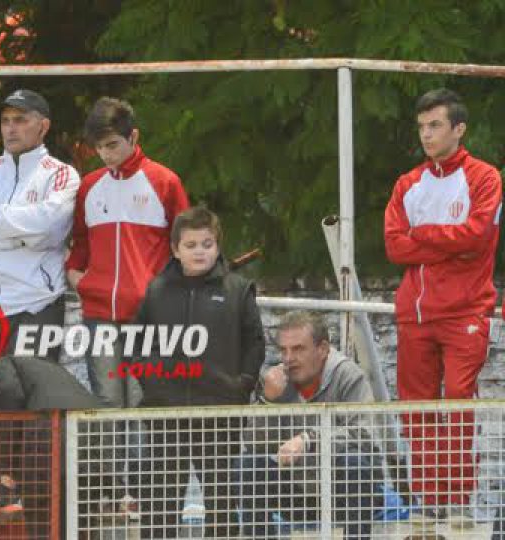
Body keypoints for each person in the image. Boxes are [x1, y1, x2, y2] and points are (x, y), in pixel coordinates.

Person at [0, 88, 80, 526]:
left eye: (21, 119)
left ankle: (35, 495)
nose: (11, 128)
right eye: (6, 119)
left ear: (43, 125)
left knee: (36, 403)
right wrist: (18, 227)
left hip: (38, 303)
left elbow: (48, 227)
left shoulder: (61, 174)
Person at [383, 87, 501, 525]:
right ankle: (428, 502)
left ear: (459, 128)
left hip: (466, 311)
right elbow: (394, 248)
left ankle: (457, 502)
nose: (426, 135)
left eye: (435, 126)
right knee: (416, 409)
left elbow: (478, 237)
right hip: (414, 314)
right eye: (421, 127)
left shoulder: (485, 177)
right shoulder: (407, 184)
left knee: (457, 404)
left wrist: (422, 239)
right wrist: (445, 244)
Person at [132, 206, 265, 538]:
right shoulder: (156, 290)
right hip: (166, 414)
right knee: (159, 509)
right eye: (191, 245)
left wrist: (242, 386)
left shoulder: (238, 289)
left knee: (221, 508)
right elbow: (136, 343)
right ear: (176, 249)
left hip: (220, 414)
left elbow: (255, 344)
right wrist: (151, 382)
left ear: (217, 246)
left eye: (207, 244)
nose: (199, 251)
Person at [66, 96, 189, 409]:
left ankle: (144, 462)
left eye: (112, 145)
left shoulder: (164, 181)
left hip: (148, 312)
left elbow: (186, 244)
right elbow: (81, 241)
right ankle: (109, 462)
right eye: (99, 147)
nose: (105, 155)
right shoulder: (89, 186)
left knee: (141, 400)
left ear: (133, 137)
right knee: (106, 402)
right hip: (99, 313)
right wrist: (77, 276)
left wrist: (167, 293)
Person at [240, 311, 384, 540]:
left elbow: (364, 433)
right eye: (283, 350)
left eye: (298, 349)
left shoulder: (347, 375)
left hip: (343, 490)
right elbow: (252, 444)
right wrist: (268, 402)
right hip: (295, 490)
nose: (288, 358)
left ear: (323, 349)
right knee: (248, 466)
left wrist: (308, 440)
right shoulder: (275, 381)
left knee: (354, 462)